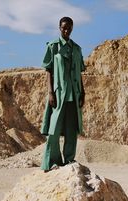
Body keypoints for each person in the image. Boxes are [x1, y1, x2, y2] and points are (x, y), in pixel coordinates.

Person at [40, 16, 85, 172]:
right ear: (59, 27)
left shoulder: (77, 49)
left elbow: (79, 73)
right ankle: (51, 161)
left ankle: (69, 159)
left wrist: (83, 92)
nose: (67, 30)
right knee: (54, 129)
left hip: (74, 93)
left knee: (72, 130)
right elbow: (48, 70)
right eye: (64, 27)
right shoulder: (53, 47)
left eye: (69, 27)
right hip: (59, 94)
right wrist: (50, 92)